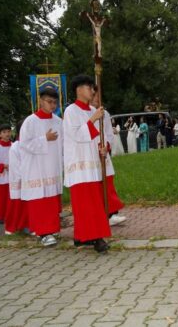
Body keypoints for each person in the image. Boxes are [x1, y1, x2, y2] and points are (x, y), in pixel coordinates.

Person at [63, 76, 111, 253]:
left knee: (94, 203)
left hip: (93, 164)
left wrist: (103, 148)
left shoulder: (92, 110)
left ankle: (83, 237)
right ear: (79, 90)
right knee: (85, 205)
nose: (92, 91)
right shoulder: (71, 111)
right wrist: (92, 119)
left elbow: (98, 136)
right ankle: (97, 238)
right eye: (89, 87)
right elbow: (76, 135)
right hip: (79, 166)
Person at [19, 87, 63, 247]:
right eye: (49, 102)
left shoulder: (58, 121)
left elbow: (63, 143)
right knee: (39, 201)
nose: (52, 105)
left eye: (55, 102)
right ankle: (43, 232)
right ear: (40, 101)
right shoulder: (30, 121)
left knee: (51, 199)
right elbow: (24, 144)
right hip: (36, 168)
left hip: (53, 166)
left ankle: (52, 228)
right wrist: (45, 139)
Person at [90, 87, 127, 227]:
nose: (97, 99)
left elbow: (109, 134)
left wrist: (107, 147)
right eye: (95, 95)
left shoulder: (105, 113)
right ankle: (100, 215)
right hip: (90, 154)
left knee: (108, 183)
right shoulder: (84, 113)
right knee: (95, 185)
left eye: (99, 96)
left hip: (104, 152)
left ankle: (112, 214)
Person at [5, 119, 28, 235]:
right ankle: (13, 226)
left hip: (31, 178)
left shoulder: (32, 144)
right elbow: (15, 166)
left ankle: (28, 225)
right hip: (20, 179)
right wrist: (24, 176)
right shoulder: (15, 146)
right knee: (18, 204)